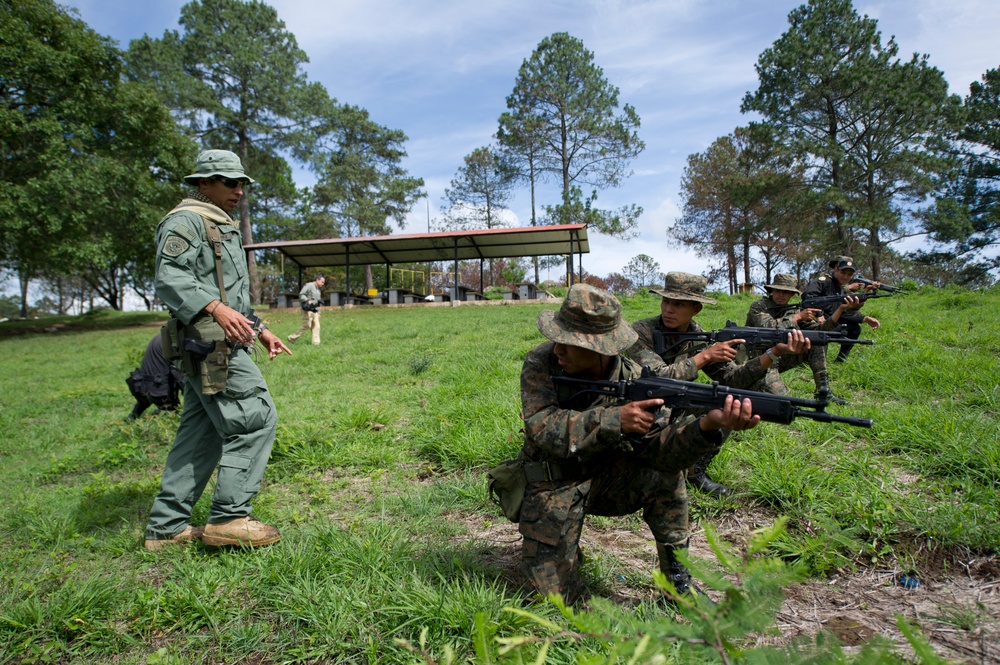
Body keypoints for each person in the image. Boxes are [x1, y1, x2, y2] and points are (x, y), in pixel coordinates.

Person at [518, 283, 762, 605]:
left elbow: (661, 450)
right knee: (557, 604)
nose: (557, 349)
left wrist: (707, 425)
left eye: (568, 342)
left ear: (602, 348)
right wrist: (614, 420)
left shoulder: (636, 379)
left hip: (609, 476)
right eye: (558, 338)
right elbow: (540, 426)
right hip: (553, 481)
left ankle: (677, 579)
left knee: (668, 475)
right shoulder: (542, 362)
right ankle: (564, 547)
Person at [144, 149, 292, 551]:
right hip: (209, 344)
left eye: (242, 183)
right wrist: (215, 308)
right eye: (230, 182)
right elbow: (169, 277)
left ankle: (166, 527)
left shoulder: (218, 224)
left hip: (218, 340)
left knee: (200, 434)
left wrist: (259, 329)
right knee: (254, 419)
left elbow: (229, 294)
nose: (239, 190)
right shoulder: (186, 221)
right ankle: (229, 518)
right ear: (203, 183)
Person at [626, 272, 809, 496]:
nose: (668, 309)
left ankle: (695, 470)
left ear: (696, 309)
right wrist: (705, 356)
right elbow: (656, 377)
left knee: (732, 398)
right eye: (666, 301)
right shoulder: (641, 331)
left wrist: (773, 353)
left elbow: (733, 378)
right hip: (639, 413)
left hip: (675, 406)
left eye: (679, 304)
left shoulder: (698, 335)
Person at [745, 273, 860, 403]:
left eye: (786, 292)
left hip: (779, 358)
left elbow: (820, 330)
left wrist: (840, 309)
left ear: (792, 294)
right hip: (757, 360)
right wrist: (798, 317)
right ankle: (751, 383)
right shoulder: (759, 306)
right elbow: (767, 326)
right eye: (778, 291)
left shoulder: (793, 311)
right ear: (771, 290)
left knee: (815, 341)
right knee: (783, 400)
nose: (781, 295)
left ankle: (823, 391)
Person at [801, 257, 881, 363]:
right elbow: (807, 297)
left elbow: (841, 315)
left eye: (849, 274)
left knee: (854, 329)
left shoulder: (842, 290)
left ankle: (840, 361)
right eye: (843, 272)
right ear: (836, 269)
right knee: (818, 359)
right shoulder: (823, 282)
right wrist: (819, 314)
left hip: (830, 323)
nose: (845, 276)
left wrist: (864, 319)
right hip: (812, 324)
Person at [126, 335, 184, 421]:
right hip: (159, 391)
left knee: (147, 398)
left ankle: (132, 417)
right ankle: (157, 416)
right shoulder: (173, 342)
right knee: (172, 414)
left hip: (142, 386)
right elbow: (178, 373)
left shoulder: (160, 337)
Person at [288, 275, 325, 345]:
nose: (323, 284)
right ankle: (291, 338)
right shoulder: (309, 285)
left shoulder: (318, 290)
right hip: (307, 310)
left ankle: (316, 344)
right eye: (322, 282)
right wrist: (307, 300)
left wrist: (319, 312)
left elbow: (317, 302)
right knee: (307, 326)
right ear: (317, 280)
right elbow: (301, 294)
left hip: (314, 310)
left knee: (317, 326)